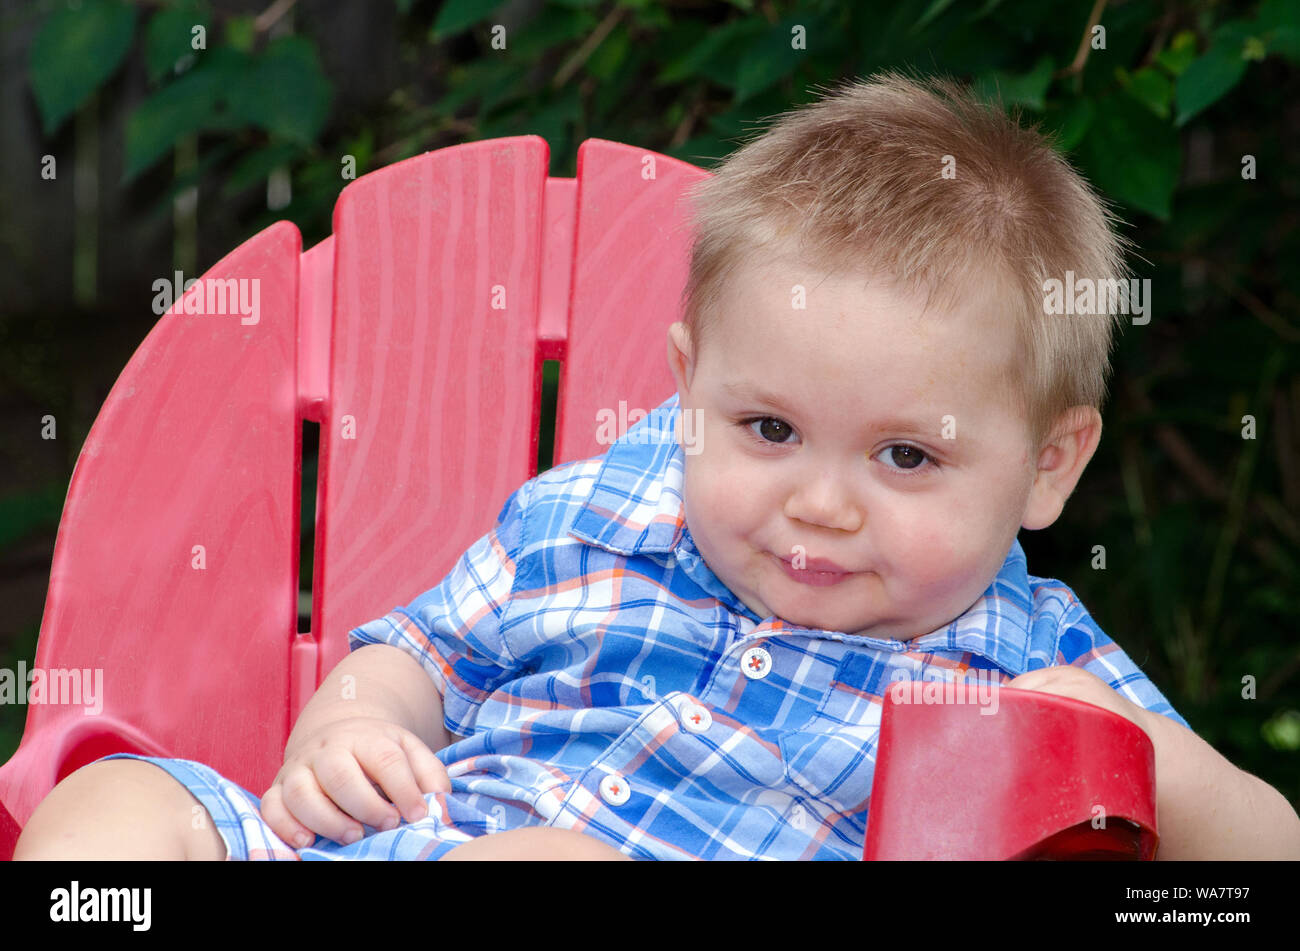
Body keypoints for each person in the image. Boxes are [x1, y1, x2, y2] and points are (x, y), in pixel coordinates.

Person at [16, 73, 1300, 861]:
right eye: (768, 430)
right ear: (686, 386)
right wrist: (352, 729)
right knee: (119, 807)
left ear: (1047, 469)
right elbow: (418, 651)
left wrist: (1138, 752)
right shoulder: (597, 515)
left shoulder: (1023, 657)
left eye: (905, 455)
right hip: (379, 845)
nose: (819, 500)